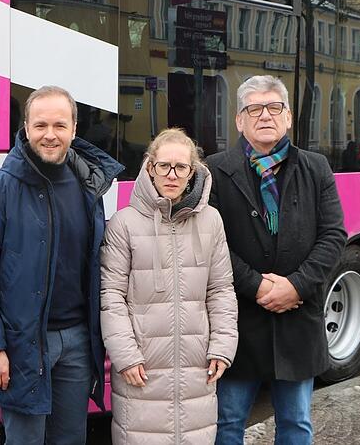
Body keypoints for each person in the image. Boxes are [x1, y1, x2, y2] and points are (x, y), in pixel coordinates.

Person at [0, 85, 124, 444]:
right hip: (22, 344)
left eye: (60, 126)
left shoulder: (88, 185)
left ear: (74, 130)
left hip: (78, 342)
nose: (50, 135)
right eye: (41, 125)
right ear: (26, 128)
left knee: (71, 438)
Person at [206, 76, 347, 445]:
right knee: (227, 421)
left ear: (288, 118)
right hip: (239, 321)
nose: (264, 116)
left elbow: (334, 237)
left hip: (297, 318)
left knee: (296, 423)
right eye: (254, 108)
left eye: (274, 108)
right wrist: (257, 285)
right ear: (239, 120)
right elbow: (210, 245)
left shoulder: (316, 168)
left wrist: (296, 286)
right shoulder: (215, 171)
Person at [101, 128, 238, 444]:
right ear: (150, 167)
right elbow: (111, 295)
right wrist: (126, 355)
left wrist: (222, 346)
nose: (172, 175)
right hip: (142, 370)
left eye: (181, 167)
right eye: (164, 166)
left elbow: (221, 290)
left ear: (193, 171)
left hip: (197, 367)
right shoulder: (125, 223)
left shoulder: (211, 221)